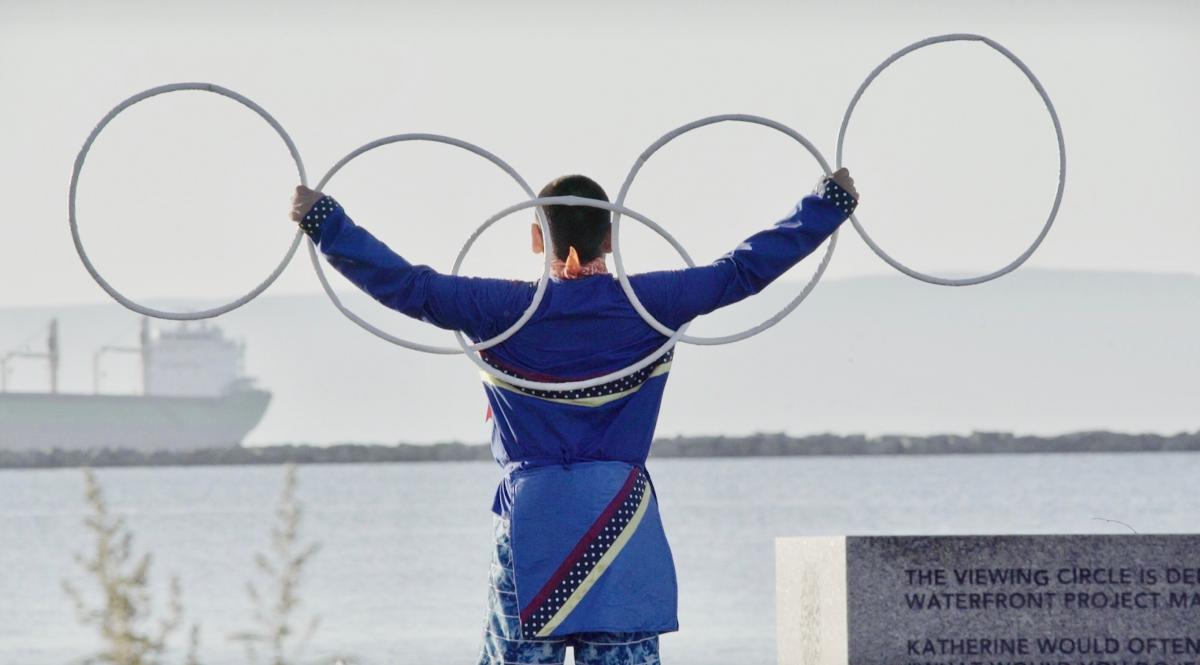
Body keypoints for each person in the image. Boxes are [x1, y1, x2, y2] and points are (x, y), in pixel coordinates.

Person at [289, 167, 858, 665]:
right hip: (621, 517)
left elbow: (407, 285)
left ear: (537, 237)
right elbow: (744, 270)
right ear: (610, 236)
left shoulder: (501, 310)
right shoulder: (651, 303)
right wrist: (827, 203)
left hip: (532, 516)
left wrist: (325, 222)